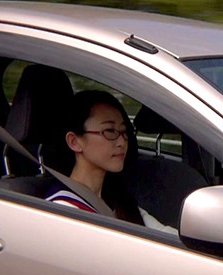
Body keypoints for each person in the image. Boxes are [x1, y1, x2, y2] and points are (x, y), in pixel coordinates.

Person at [46, 90, 176, 234]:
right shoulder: (62, 211)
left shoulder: (117, 201)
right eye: (109, 131)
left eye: (124, 131)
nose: (122, 142)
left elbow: (165, 235)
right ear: (74, 142)